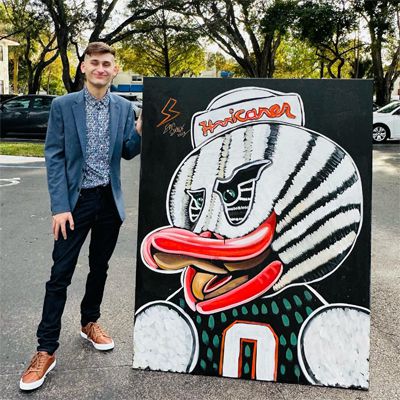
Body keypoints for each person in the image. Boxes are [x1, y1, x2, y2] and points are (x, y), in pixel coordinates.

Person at [19, 42, 142, 391]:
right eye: (95, 63)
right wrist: (59, 206)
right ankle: (46, 350)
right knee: (60, 274)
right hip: (75, 203)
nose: (101, 68)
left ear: (114, 70)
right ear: (85, 67)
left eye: (107, 64)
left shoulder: (124, 107)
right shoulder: (64, 105)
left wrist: (139, 131)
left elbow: (127, 152)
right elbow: (54, 155)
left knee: (99, 267)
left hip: (109, 201)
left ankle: (90, 322)